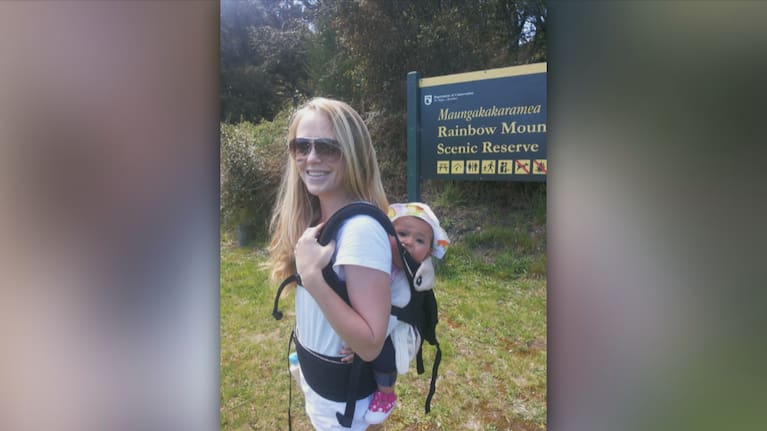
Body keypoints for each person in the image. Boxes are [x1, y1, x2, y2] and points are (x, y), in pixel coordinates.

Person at [267, 97, 392, 430]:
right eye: (301, 146)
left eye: (327, 148)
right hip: (319, 384)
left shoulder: (361, 231)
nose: (311, 157)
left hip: (343, 404)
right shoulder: (316, 218)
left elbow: (369, 344)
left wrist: (312, 276)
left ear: (353, 154)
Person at [341, 202, 450, 425]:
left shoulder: (411, 279)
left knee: (384, 357)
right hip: (377, 323)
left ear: (429, 251)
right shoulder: (381, 261)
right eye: (401, 233)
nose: (409, 242)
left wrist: (361, 345)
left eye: (420, 240)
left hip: (397, 331)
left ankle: (386, 392)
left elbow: (390, 316)